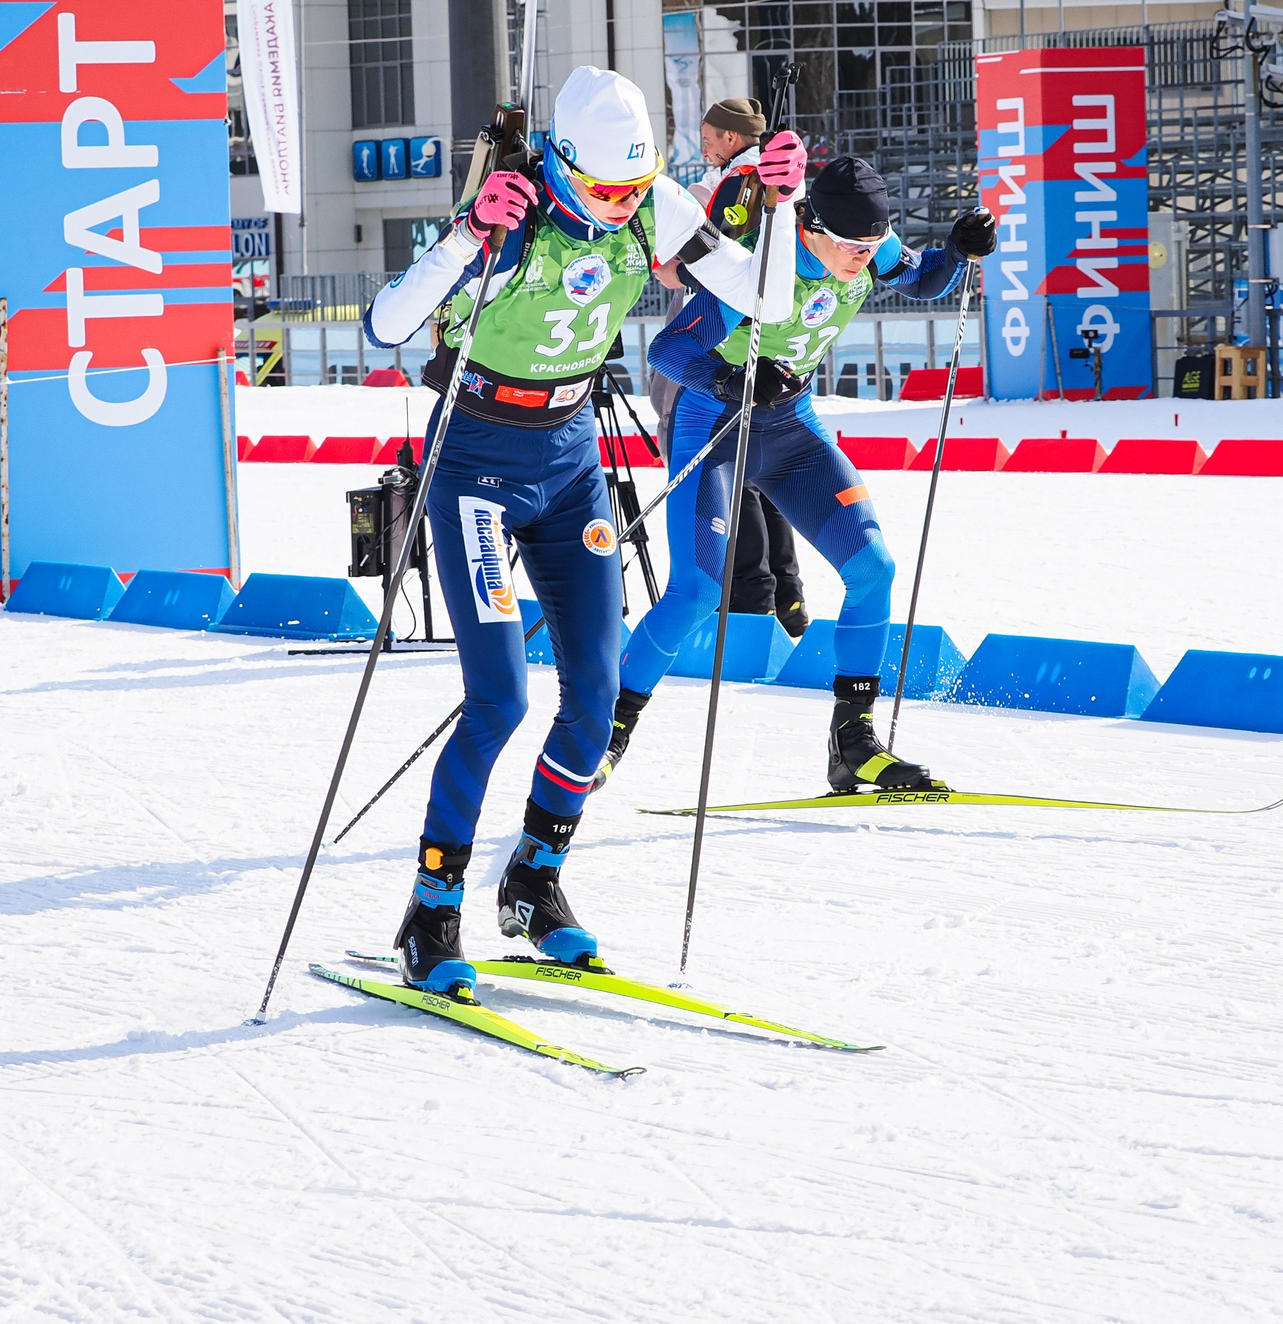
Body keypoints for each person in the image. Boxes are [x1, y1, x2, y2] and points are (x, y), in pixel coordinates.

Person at [362, 64, 801, 995]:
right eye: (601, 188)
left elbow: (767, 301)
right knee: (498, 701)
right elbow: (386, 321)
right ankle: (432, 909)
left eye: (632, 188)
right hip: (476, 463)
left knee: (598, 697)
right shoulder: (512, 213)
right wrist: (466, 234)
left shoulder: (653, 205)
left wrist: (787, 207)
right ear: (561, 164)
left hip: (568, 466)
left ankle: (533, 879)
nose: (617, 206)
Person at [600, 155, 995, 796]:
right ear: (809, 226)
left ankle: (854, 744)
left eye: (871, 246)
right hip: (717, 425)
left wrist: (956, 249)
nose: (862, 260)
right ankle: (607, 729)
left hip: (791, 426)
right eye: (850, 247)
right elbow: (669, 351)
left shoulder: (864, 244)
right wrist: (737, 379)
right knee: (699, 591)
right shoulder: (762, 268)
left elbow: (922, 281)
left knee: (875, 570)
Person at [653, 95, 811, 638]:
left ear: (732, 137)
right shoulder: (764, 175)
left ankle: (753, 597)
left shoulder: (734, 183)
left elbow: (703, 260)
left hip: (723, 336)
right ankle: (784, 590)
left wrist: (678, 266)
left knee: (728, 472)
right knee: (761, 473)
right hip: (770, 341)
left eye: (709, 133)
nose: (702, 141)